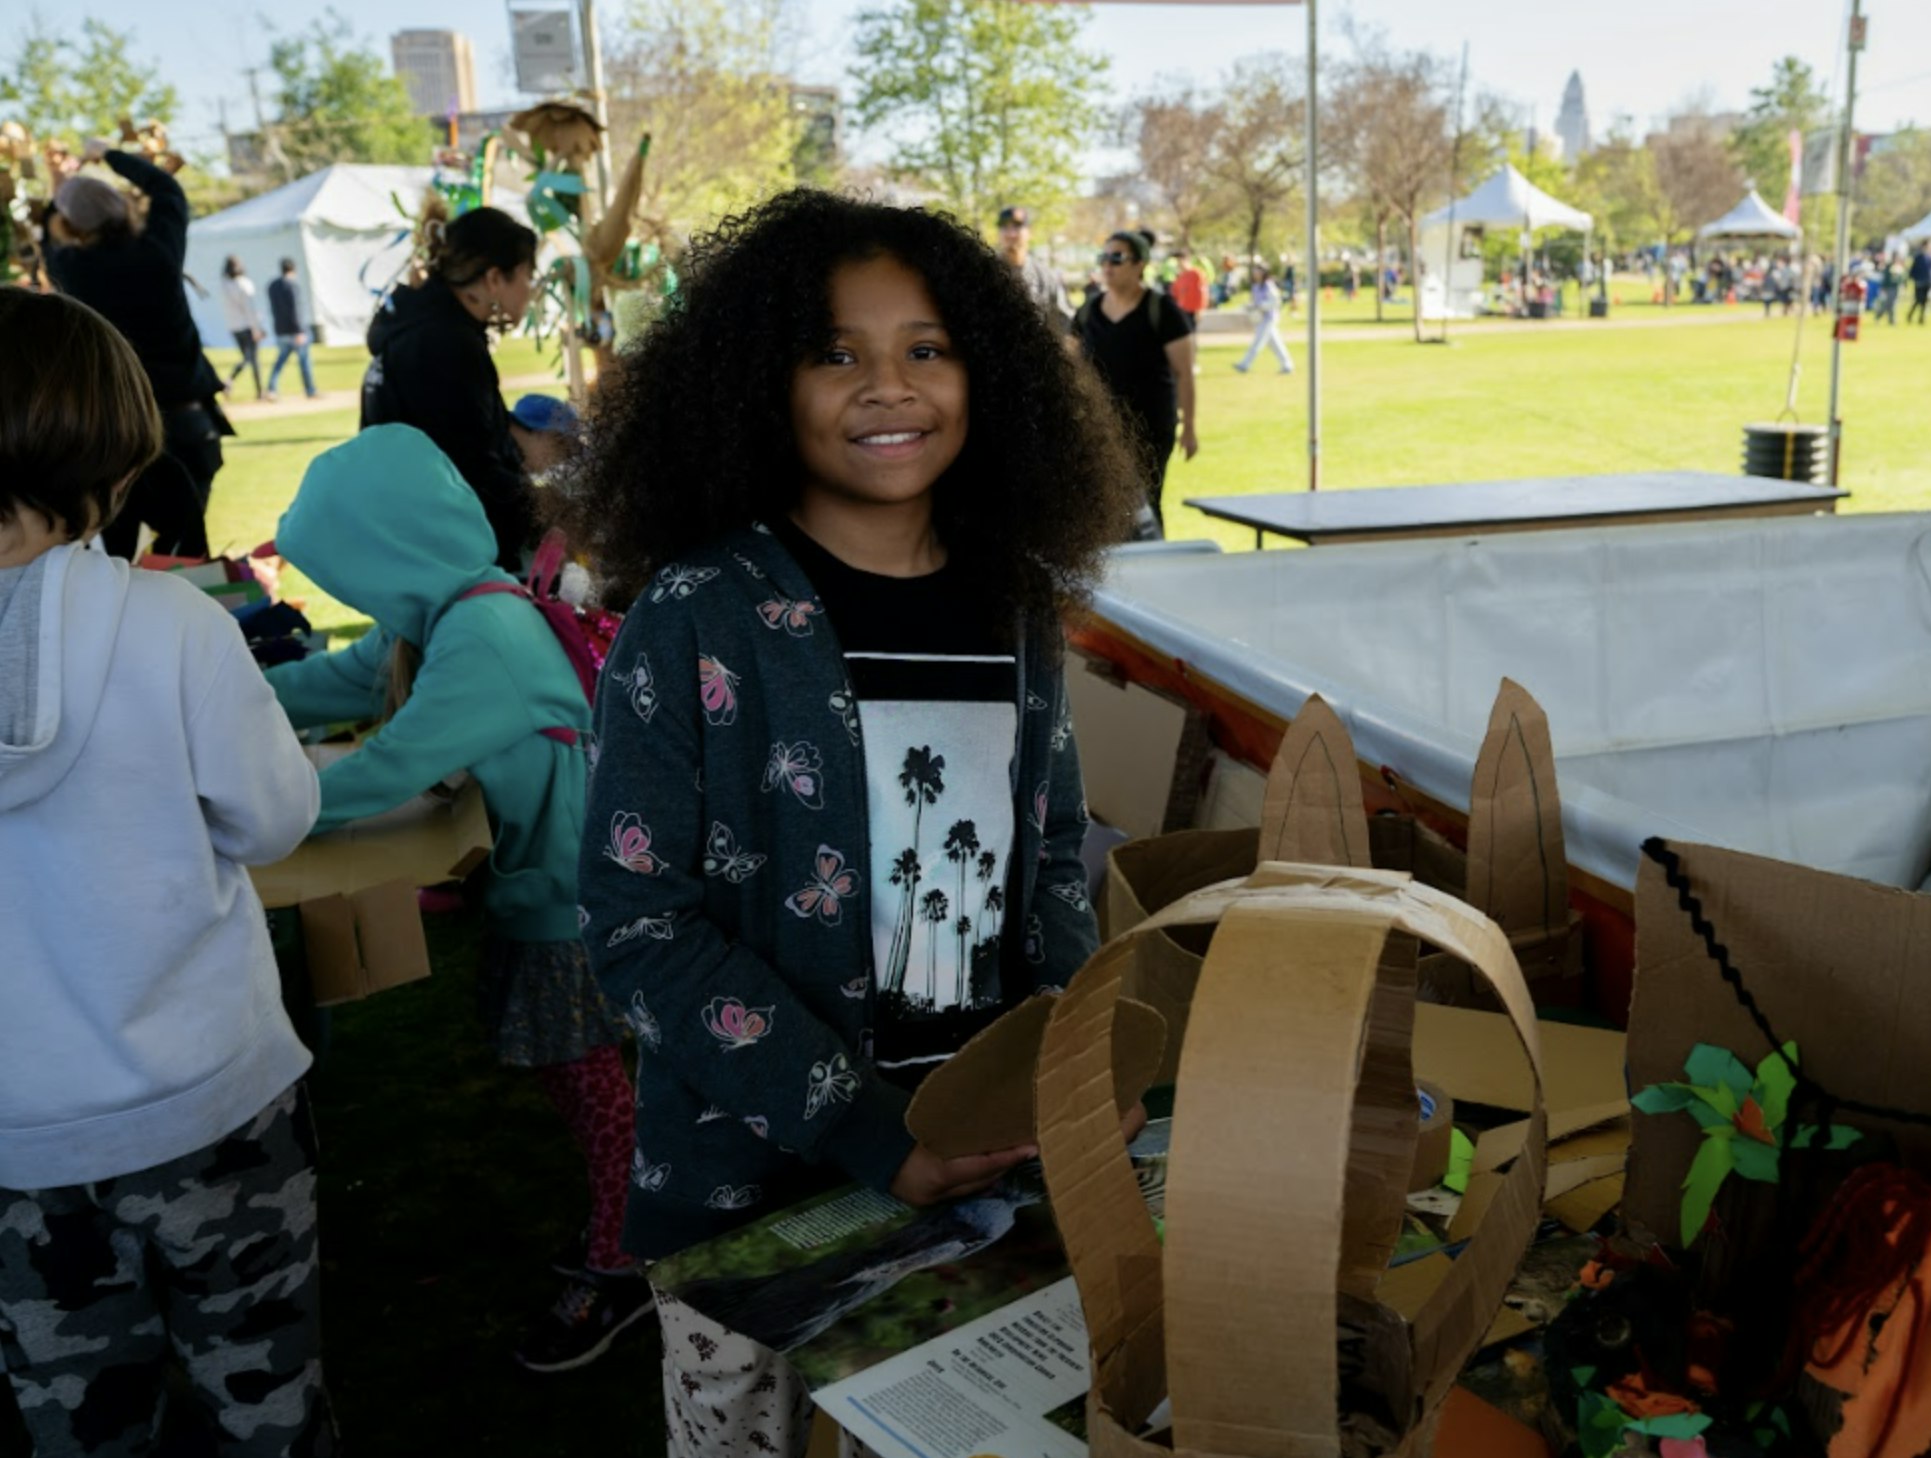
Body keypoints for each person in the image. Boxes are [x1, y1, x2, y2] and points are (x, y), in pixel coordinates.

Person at [544, 188, 1142, 1454]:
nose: (889, 387)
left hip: (995, 1173)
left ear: (989, 376)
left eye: (925, 348)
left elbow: (1045, 856)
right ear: (760, 384)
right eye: (836, 353)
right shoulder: (698, 610)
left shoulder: (1012, 605)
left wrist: (1076, 1058)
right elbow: (640, 927)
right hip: (754, 1205)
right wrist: (870, 1132)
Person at [0, 288, 332, 1455]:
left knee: (80, 1421)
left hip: (18, 1138)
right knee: (268, 1402)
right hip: (213, 1103)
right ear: (112, 445)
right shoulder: (174, 626)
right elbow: (278, 821)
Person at [261, 423, 643, 1372]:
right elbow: (334, 681)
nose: (340, 593)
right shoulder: (452, 607)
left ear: (385, 551)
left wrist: (253, 803)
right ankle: (624, 1217)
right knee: (581, 1075)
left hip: (569, 900)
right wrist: (224, 696)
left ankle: (629, 1254)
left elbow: (389, 765)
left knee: (586, 1075)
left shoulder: (482, 634)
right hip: (552, 883)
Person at [39, 136, 222, 558]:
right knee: (190, 559)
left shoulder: (72, 269)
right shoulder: (160, 253)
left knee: (118, 563)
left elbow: (51, 233)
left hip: (118, 440)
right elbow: (167, 190)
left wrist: (63, 182)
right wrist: (107, 154)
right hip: (189, 425)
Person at [360, 204, 542, 568]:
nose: (531, 290)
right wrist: (547, 510)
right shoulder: (446, 344)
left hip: (410, 543)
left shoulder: (422, 329)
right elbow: (469, 471)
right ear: (494, 279)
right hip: (446, 556)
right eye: (526, 275)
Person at [1074, 229, 1198, 534]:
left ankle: (1154, 570)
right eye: (1104, 257)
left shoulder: (1162, 311)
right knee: (1101, 506)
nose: (1108, 265)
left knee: (1145, 506)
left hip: (1151, 428)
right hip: (1100, 429)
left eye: (1117, 257)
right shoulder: (1088, 311)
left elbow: (1183, 372)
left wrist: (1190, 427)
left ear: (1140, 263)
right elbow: (1069, 367)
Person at [994, 204, 1069, 336]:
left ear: (1030, 231)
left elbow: (1062, 321)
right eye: (1004, 227)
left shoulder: (1046, 276)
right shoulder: (984, 270)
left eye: (1017, 226)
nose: (1011, 234)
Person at [267, 256, 319, 400]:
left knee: (280, 361)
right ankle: (310, 389)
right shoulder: (292, 286)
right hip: (294, 331)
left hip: (280, 330)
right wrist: (299, 331)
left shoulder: (272, 286)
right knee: (304, 361)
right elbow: (296, 310)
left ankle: (272, 388)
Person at [219, 255, 267, 401]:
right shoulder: (244, 284)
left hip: (234, 327)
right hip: (247, 326)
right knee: (252, 359)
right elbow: (250, 309)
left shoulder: (224, 285)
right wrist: (257, 328)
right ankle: (260, 393)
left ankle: (230, 380)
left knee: (247, 358)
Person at [1234, 261, 1294, 374]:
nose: (1255, 273)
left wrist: (1260, 306)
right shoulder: (1256, 286)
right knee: (1275, 344)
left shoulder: (1269, 286)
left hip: (1269, 318)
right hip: (1260, 318)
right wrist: (1250, 306)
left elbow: (1275, 302)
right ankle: (1287, 364)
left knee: (1257, 342)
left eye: (1258, 271)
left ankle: (1244, 364)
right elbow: (1255, 302)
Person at [1169, 247, 1207, 333]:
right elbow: (1174, 295)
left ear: (1186, 260)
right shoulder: (1179, 277)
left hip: (1193, 311)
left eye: (1179, 260)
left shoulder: (1196, 274)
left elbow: (1202, 293)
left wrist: (1199, 309)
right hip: (1182, 311)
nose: (1178, 264)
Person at [1907, 244, 1931, 325]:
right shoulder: (1918, 258)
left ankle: (1921, 317)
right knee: (1918, 299)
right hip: (1919, 281)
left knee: (1924, 301)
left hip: (1928, 281)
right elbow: (1913, 270)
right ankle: (1910, 314)